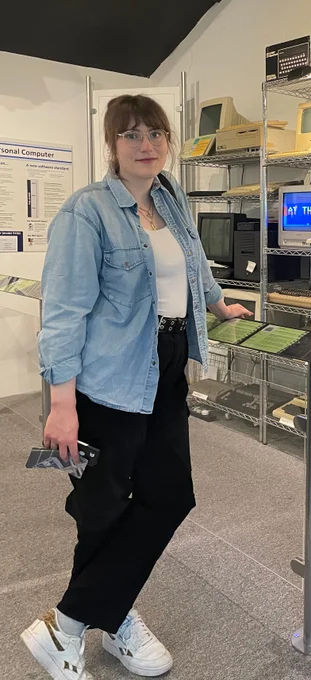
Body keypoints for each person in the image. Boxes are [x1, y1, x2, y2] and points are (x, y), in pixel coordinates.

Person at [21, 94, 251, 679]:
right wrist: (61, 405)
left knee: (170, 495)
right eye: (131, 135)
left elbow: (193, 266)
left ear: (168, 141)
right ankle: (110, 620)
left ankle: (69, 622)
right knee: (101, 508)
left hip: (167, 366)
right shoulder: (87, 211)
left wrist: (220, 305)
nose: (146, 145)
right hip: (107, 377)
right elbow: (64, 313)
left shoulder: (171, 199)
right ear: (112, 144)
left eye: (155, 133)